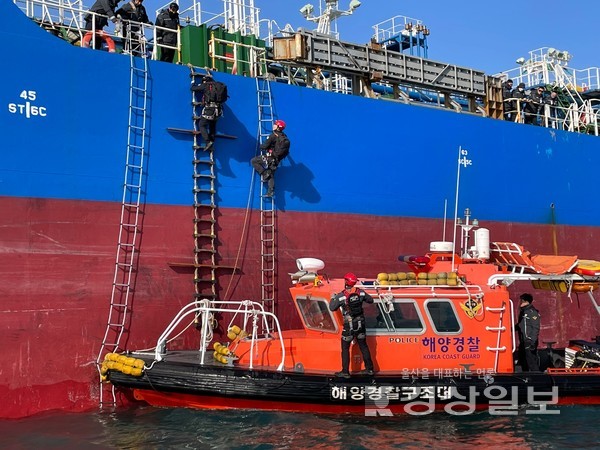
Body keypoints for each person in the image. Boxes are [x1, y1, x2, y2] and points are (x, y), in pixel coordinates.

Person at [329, 272, 375, 378]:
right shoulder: (361, 293)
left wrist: (333, 298)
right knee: (363, 346)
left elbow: (332, 308)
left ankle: (345, 372)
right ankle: (370, 369)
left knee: (345, 348)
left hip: (349, 326)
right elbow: (371, 300)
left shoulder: (341, 296)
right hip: (361, 324)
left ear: (346, 282)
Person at [251, 120, 290, 197]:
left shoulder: (273, 135)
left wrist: (261, 146)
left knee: (253, 161)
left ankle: (265, 173)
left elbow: (264, 146)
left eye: (275, 124)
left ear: (278, 127)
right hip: (277, 160)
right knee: (271, 174)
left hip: (269, 158)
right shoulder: (284, 136)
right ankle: (270, 192)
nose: (273, 125)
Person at [191, 74, 227, 151]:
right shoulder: (218, 86)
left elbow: (193, 88)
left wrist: (193, 83)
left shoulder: (206, 85)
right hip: (219, 110)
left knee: (202, 125)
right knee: (212, 125)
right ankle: (212, 141)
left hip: (209, 109)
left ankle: (208, 142)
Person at [517, 293, 540, 371]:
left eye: (522, 301)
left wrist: (532, 341)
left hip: (529, 340)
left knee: (531, 361)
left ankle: (537, 377)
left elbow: (535, 327)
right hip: (523, 340)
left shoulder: (532, 312)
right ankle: (526, 376)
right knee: (523, 360)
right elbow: (520, 325)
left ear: (526, 301)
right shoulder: (523, 312)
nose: (520, 302)